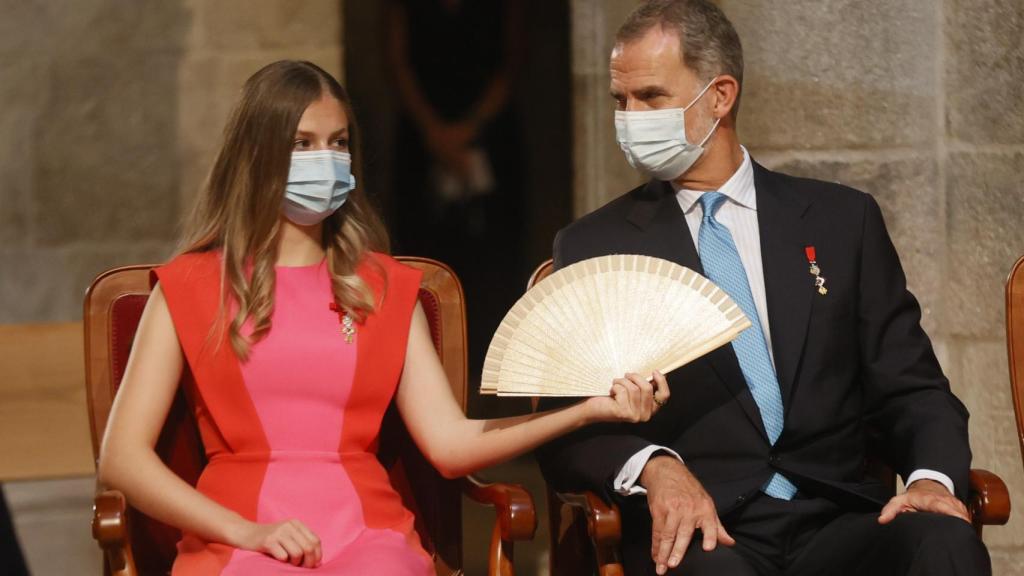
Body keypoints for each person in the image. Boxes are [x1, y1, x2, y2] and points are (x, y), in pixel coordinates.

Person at [97, 60, 669, 575]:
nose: (326, 160)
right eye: (301, 143)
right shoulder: (190, 286)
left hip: (367, 537)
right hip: (236, 538)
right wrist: (246, 531)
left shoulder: (384, 288)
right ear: (257, 154)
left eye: (338, 142)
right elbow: (121, 460)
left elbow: (450, 444)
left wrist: (589, 409)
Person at [536, 2, 990, 575]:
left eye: (650, 97)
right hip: (703, 532)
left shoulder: (841, 222)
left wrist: (929, 479)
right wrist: (654, 467)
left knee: (944, 544)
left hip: (841, 518)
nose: (629, 118)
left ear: (720, 96)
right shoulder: (593, 245)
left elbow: (914, 389)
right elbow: (566, 426)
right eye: (619, 101)